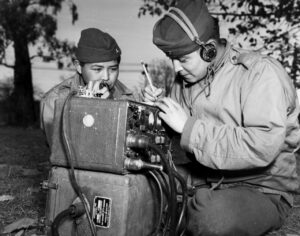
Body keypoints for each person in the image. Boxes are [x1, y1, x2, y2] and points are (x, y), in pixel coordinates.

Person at [143, 0, 300, 235]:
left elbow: (262, 145)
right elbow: (174, 140)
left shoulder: (260, 74)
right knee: (141, 186)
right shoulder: (184, 80)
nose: (175, 68)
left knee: (210, 217)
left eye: (183, 59)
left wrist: (189, 127)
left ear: (209, 49)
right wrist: (155, 112)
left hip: (261, 189)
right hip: (204, 181)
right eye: (171, 58)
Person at [40, 28, 137, 146]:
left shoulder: (126, 96)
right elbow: (61, 151)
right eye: (97, 69)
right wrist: (87, 108)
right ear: (79, 67)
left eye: (113, 69)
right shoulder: (55, 100)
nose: (106, 77)